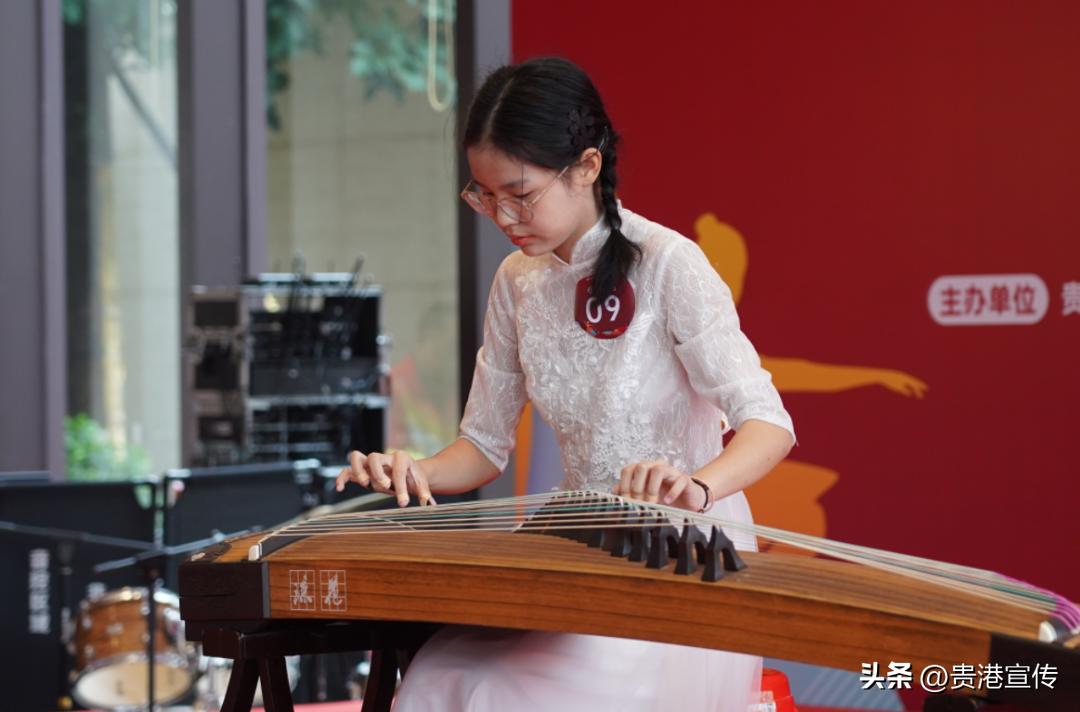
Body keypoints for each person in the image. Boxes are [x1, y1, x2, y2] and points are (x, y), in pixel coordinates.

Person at [336, 56, 796, 712]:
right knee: (438, 679)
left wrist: (697, 486)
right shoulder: (517, 282)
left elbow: (768, 422)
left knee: (503, 691)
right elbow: (482, 449)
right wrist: (411, 471)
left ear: (585, 167)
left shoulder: (670, 265)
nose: (500, 214)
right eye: (484, 195)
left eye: (518, 194)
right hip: (577, 549)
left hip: (677, 550)